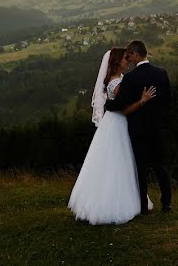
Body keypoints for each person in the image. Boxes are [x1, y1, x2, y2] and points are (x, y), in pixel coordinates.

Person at [68, 47, 156, 224]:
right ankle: (114, 204)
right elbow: (124, 109)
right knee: (118, 161)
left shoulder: (118, 79)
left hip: (112, 122)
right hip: (118, 123)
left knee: (115, 161)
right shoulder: (116, 83)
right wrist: (142, 100)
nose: (128, 61)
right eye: (125, 59)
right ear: (116, 62)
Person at [104, 40, 172, 214]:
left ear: (135, 54)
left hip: (138, 129)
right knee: (160, 166)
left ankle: (142, 206)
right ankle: (166, 204)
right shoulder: (161, 73)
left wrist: (107, 105)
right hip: (157, 129)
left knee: (141, 169)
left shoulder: (131, 78)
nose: (128, 58)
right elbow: (168, 102)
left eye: (129, 55)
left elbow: (119, 104)